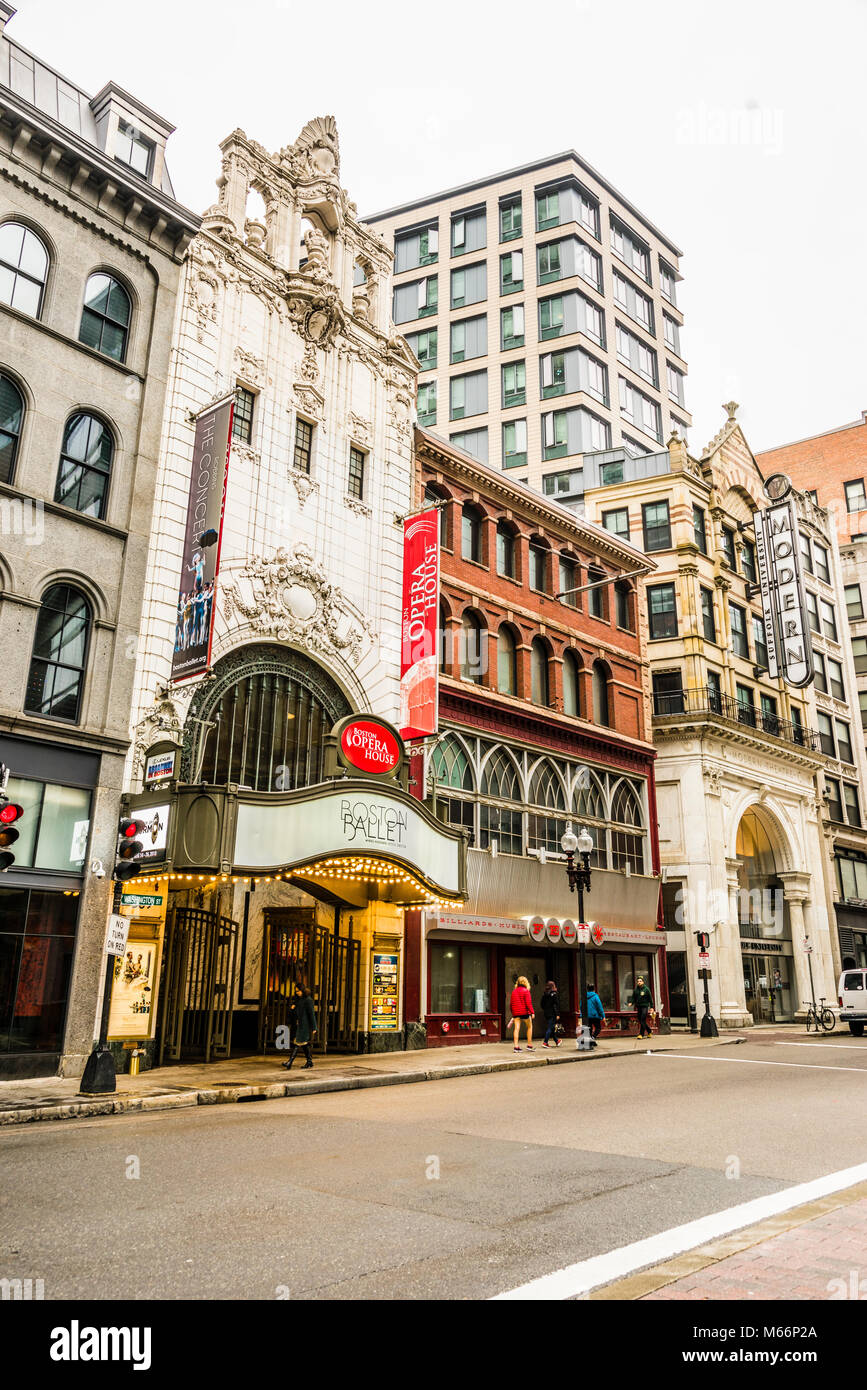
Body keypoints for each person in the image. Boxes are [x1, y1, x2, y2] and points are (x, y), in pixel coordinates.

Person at [283, 987, 317, 1069]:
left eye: (298, 991)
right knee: (304, 1044)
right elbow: (295, 1012)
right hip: (298, 1024)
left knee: (297, 1042)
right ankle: (309, 1061)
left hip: (304, 1026)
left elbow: (311, 1014)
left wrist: (314, 1027)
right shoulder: (298, 1000)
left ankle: (290, 1062)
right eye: (296, 991)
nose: (297, 992)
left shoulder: (308, 1000)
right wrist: (292, 1008)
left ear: (302, 990)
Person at [509, 975, 535, 1052]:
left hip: (516, 1013)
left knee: (516, 1028)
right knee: (529, 1026)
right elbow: (528, 1003)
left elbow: (511, 1004)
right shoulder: (526, 991)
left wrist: (513, 1013)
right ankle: (529, 1045)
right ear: (526, 982)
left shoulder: (514, 991)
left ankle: (516, 1047)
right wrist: (532, 1012)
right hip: (524, 1012)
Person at [540, 980, 561, 1047]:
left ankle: (557, 1041)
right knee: (550, 1027)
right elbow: (556, 1005)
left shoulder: (544, 994)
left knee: (551, 1027)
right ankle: (545, 1042)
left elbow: (542, 1004)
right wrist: (557, 1014)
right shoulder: (554, 994)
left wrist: (545, 1009)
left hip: (546, 1013)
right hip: (552, 1013)